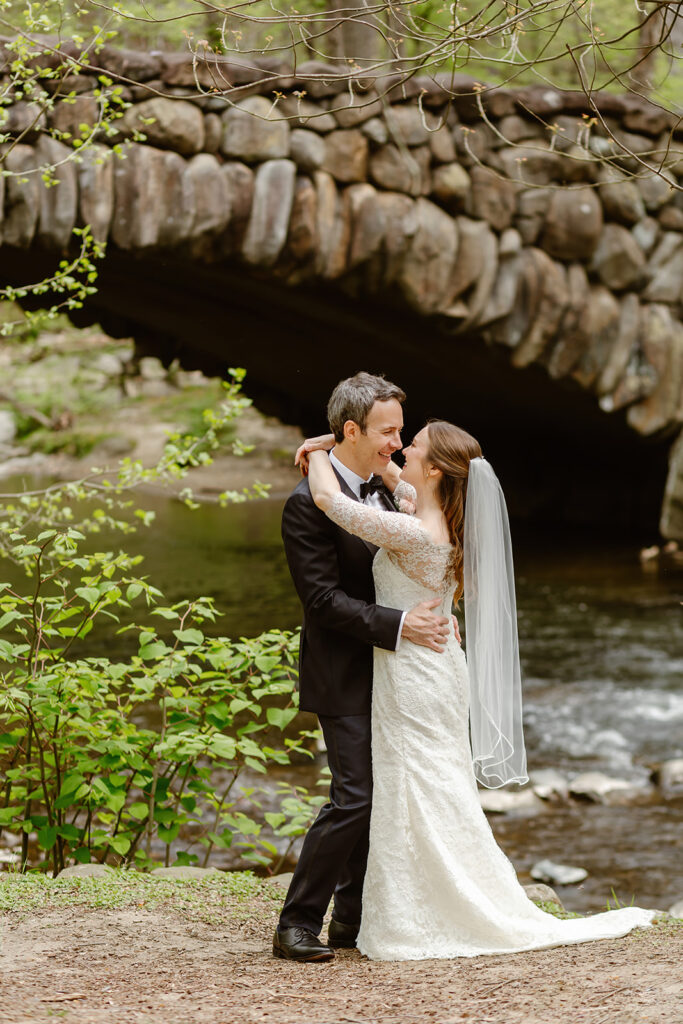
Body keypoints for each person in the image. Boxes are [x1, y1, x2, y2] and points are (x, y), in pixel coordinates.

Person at [301, 417, 656, 961]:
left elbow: (329, 500)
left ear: (437, 469)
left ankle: (428, 906)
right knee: (429, 783)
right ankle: (406, 900)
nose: (401, 450)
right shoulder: (435, 513)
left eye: (412, 445)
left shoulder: (417, 531)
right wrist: (350, 445)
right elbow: (397, 478)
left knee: (418, 783)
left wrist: (317, 450)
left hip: (417, 674)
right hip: (434, 665)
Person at [273, 372, 456, 963]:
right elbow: (323, 602)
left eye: (402, 431)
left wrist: (323, 446)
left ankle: (352, 919)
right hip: (345, 669)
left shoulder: (392, 492)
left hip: (400, 676)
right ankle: (297, 923)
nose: (397, 443)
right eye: (387, 431)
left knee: (384, 796)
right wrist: (402, 626)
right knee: (356, 797)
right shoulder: (306, 505)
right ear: (352, 430)